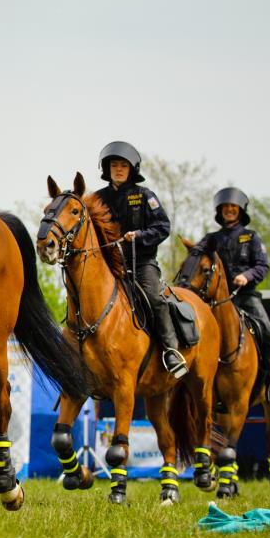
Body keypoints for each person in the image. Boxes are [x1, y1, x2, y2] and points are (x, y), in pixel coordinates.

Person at [94, 142, 184, 377]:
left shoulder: (144, 196)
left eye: (123, 165)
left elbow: (163, 227)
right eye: (114, 165)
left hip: (142, 264)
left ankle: (171, 350)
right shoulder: (96, 199)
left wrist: (141, 236)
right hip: (108, 266)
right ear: (107, 168)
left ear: (132, 169)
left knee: (154, 298)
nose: (119, 169)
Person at [195, 187, 270, 408]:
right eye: (225, 207)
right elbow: (196, 259)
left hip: (247, 297)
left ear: (240, 210)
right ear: (220, 210)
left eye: (233, 207)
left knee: (269, 333)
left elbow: (263, 266)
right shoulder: (211, 239)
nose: (229, 211)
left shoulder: (251, 237)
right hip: (216, 302)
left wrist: (247, 276)